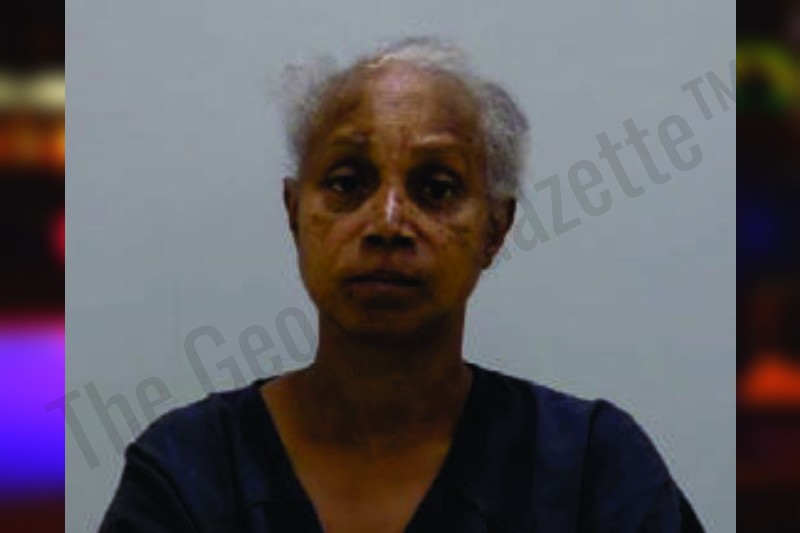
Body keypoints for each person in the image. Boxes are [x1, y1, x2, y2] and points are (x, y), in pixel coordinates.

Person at [99, 36, 705, 532]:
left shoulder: (591, 469)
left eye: (436, 188)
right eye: (347, 182)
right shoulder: (189, 472)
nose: (388, 223)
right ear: (294, 213)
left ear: (495, 229)